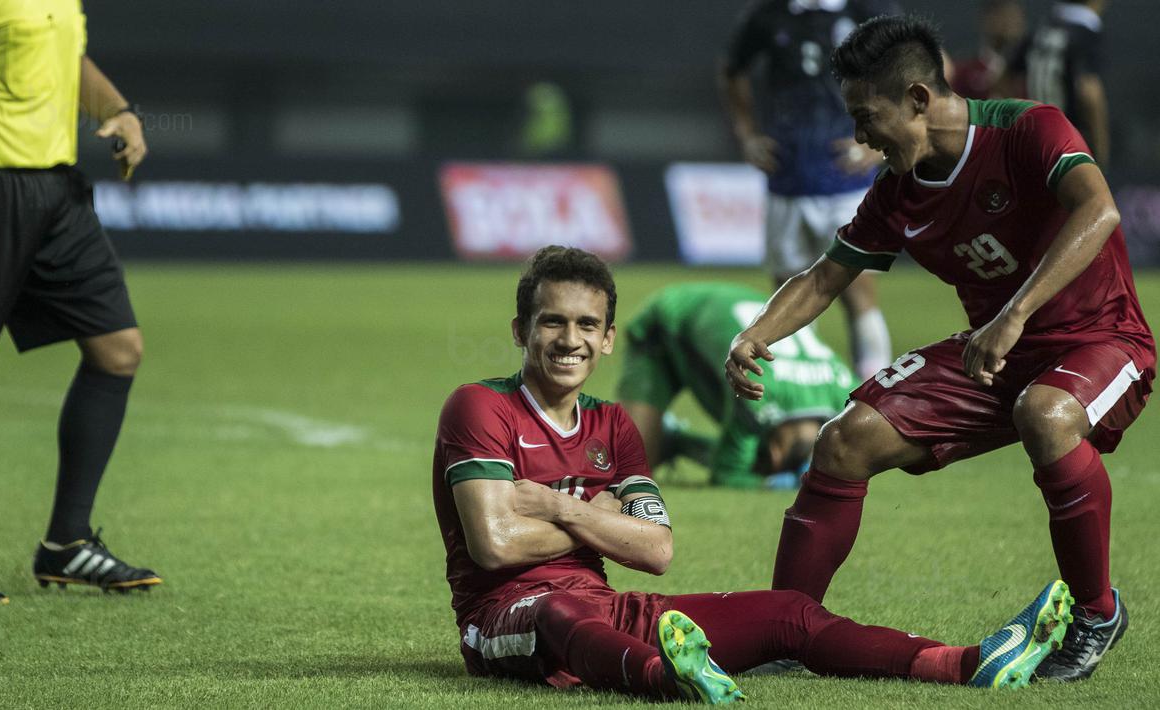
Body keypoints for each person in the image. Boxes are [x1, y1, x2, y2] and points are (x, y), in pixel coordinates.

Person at [433, 245, 1073, 702]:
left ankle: (965, 664)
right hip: (506, 620)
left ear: (606, 340)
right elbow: (494, 546)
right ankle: (670, 680)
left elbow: (656, 549)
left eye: (586, 325)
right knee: (562, 614)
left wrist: (560, 508)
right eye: (552, 322)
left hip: (609, 607)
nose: (568, 340)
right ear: (521, 330)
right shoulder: (480, 406)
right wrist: (606, 520)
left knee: (790, 613)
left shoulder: (615, 425)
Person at [725, 15, 1152, 683]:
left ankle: (1095, 613)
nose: (858, 135)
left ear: (919, 98)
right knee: (843, 439)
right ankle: (783, 627)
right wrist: (755, 334)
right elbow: (823, 276)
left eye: (867, 117)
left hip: (1100, 338)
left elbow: (1097, 211)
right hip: (992, 352)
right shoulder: (897, 190)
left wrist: (1013, 315)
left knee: (1044, 413)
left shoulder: (1027, 128)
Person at [0, 0, 160, 602]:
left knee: (118, 349)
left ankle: (67, 544)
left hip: (56, 190)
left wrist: (120, 111)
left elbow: (68, 60)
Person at [720, 0, 896, 380]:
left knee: (857, 293)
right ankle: (803, 394)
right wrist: (747, 135)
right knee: (786, 300)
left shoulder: (868, 8)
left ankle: (877, 393)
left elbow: (921, 66)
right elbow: (732, 71)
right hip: (787, 178)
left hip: (845, 181)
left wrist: (878, 142)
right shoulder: (768, 14)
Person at [617, 282, 854, 490]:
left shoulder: (848, 392)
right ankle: (671, 440)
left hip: (737, 304)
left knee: (739, 435)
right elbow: (728, 473)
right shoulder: (760, 397)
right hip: (666, 320)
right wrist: (772, 483)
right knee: (630, 468)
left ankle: (673, 440)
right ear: (775, 453)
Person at [1011, 1, 1110, 168]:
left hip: (1035, 139)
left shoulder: (1041, 30)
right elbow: (1089, 91)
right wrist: (1100, 150)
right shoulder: (1086, 33)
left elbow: (1004, 81)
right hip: (1072, 145)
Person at [949, 0, 1027, 100]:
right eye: (1002, 15)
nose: (1009, 22)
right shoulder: (964, 73)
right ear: (986, 19)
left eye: (1014, 16)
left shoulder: (1033, 70)